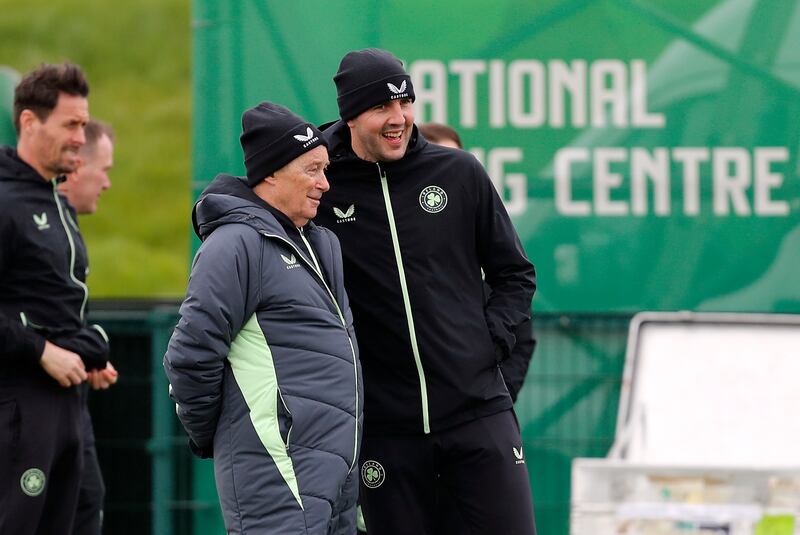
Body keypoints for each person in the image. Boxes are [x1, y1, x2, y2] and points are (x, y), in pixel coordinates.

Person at [315, 49, 537, 535]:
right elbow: (257, 193)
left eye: (406, 103)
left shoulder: (459, 173)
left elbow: (515, 274)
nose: (398, 118)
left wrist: (486, 344)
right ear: (351, 116)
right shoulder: (322, 185)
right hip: (384, 429)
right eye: (381, 107)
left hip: (477, 412)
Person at [164, 102, 362, 534]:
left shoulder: (321, 244)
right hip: (277, 472)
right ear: (271, 173)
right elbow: (190, 355)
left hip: (335, 475)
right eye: (312, 170)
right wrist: (222, 434)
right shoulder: (234, 244)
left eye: (325, 170)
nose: (325, 184)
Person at [0, 62, 110, 535]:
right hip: (20, 406)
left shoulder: (56, 201)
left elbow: (52, 302)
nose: (79, 138)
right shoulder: (6, 202)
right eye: (70, 125)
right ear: (29, 122)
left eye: (83, 125)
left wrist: (84, 350)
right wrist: (41, 351)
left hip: (66, 403)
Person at [418, 122, 537, 403]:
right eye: (438, 158)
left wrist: (495, 391)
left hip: (482, 406)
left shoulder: (484, 220)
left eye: (454, 158)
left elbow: (519, 325)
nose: (448, 168)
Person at [58, 119, 119, 535]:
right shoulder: (28, 221)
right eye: (105, 170)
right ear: (77, 166)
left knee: (86, 501)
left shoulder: (64, 225)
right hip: (34, 411)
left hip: (68, 403)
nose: (108, 183)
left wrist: (83, 355)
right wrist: (89, 344)